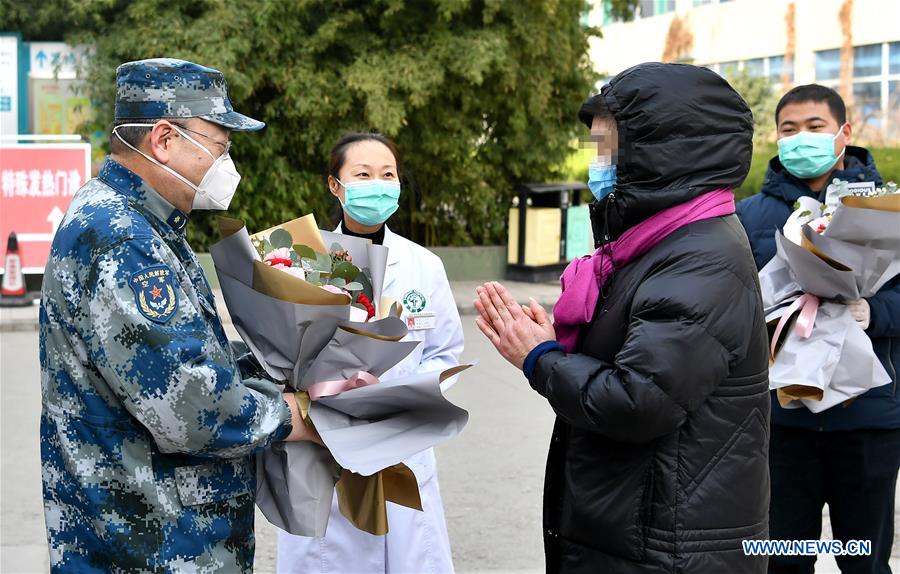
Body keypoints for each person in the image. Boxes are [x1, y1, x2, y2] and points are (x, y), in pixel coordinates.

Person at [474, 63, 770, 573]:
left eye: (607, 147)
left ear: (661, 150)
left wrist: (540, 359)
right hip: (641, 529)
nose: (597, 163)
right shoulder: (664, 243)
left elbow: (639, 400)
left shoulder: (700, 258)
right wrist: (561, 350)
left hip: (666, 546)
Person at [39, 58, 319, 573]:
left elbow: (180, 354)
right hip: (153, 546)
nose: (226, 164)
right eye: (219, 145)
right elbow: (189, 407)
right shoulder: (122, 237)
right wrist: (299, 416)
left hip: (150, 535)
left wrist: (292, 367)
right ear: (164, 139)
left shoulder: (142, 222)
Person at [277, 132, 464, 574]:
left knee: (407, 553)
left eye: (387, 175)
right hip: (328, 441)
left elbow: (446, 352)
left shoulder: (422, 265)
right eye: (362, 175)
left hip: (401, 436)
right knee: (334, 557)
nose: (377, 185)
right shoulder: (303, 260)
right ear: (335, 185)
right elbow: (281, 356)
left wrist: (400, 396)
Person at [736, 84, 900, 574]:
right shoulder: (746, 218)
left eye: (815, 127)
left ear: (843, 134)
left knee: (865, 559)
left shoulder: (887, 211)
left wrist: (877, 313)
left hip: (867, 419)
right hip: (782, 422)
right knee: (783, 556)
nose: (800, 139)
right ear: (776, 137)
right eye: (789, 130)